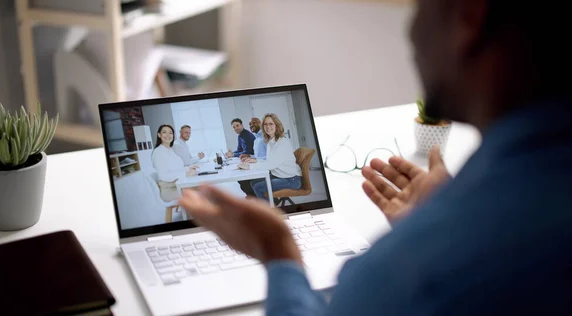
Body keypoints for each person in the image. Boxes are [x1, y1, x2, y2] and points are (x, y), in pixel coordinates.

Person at [179, 1, 572, 315]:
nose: (412, 32)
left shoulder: (413, 276)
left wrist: (278, 251)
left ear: (470, 17)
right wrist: (444, 212)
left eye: (420, 6)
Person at [238, 114, 302, 200]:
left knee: (257, 187)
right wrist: (256, 161)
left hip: (291, 179)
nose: (268, 127)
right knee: (254, 182)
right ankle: (270, 202)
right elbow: (269, 160)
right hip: (279, 175)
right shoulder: (271, 142)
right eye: (265, 124)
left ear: (277, 125)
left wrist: (249, 167)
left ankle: (268, 210)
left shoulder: (282, 143)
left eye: (271, 124)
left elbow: (271, 164)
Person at [152, 124, 197, 204]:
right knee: (197, 193)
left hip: (177, 185)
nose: (168, 135)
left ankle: (197, 215)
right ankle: (197, 215)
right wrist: (185, 174)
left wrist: (188, 168)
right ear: (159, 135)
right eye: (164, 132)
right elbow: (164, 176)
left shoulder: (170, 150)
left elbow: (176, 169)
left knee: (201, 188)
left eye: (170, 133)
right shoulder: (158, 152)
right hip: (169, 189)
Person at [238, 117, 267, 196]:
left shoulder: (265, 137)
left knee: (245, 180)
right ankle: (254, 198)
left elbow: (269, 156)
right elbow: (259, 155)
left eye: (254, 123)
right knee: (241, 178)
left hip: (265, 167)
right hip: (259, 164)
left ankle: (260, 199)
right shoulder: (257, 139)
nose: (251, 125)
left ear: (260, 123)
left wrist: (255, 160)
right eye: (250, 124)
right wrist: (249, 156)